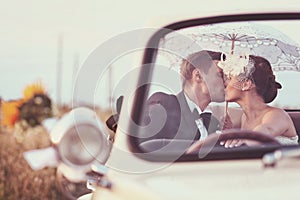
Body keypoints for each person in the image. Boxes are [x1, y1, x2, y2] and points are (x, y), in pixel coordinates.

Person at [139, 50, 225, 146]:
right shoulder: (164, 105)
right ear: (198, 76)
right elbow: (140, 149)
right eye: (220, 75)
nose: (226, 82)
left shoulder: (212, 122)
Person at [218, 54, 298, 147]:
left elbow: (263, 133)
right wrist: (229, 133)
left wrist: (239, 138)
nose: (224, 83)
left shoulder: (277, 114)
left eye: (230, 78)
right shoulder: (244, 117)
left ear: (246, 84)